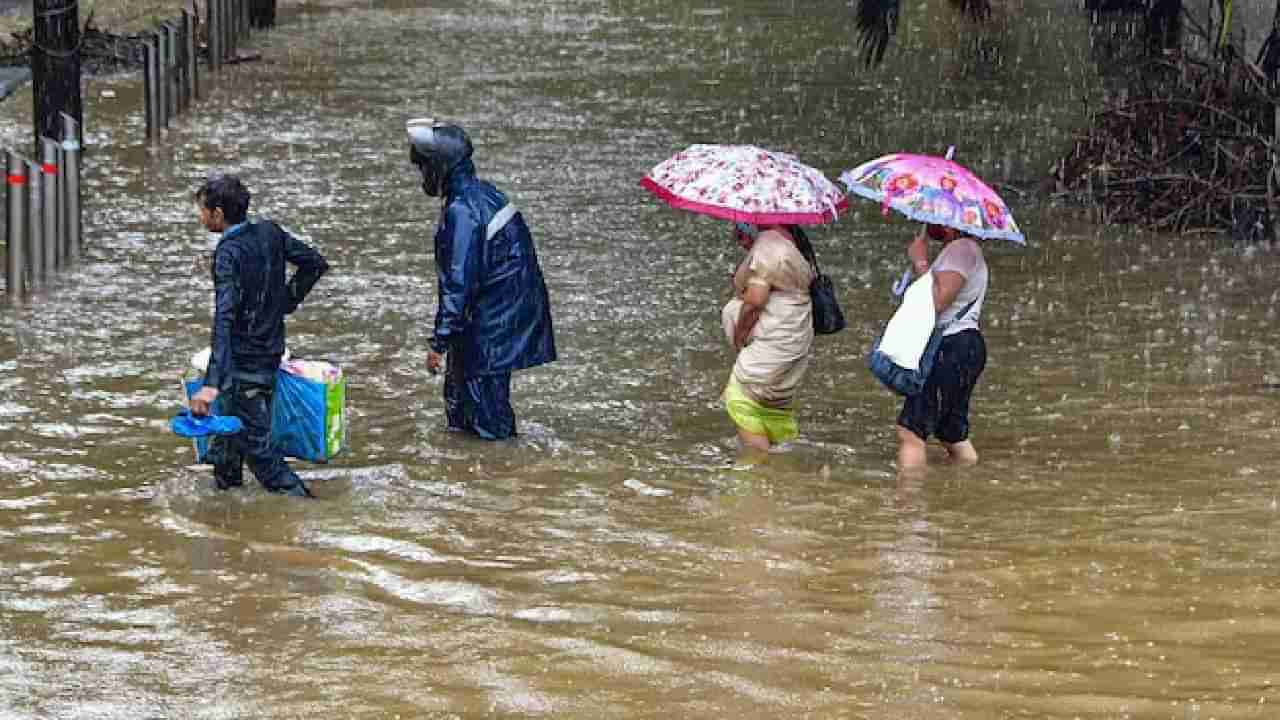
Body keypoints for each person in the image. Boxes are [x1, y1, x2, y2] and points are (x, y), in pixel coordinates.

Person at [406, 119, 556, 440]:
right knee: (462, 410)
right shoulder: (484, 194)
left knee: (486, 421)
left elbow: (458, 284)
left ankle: (500, 473)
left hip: (491, 330)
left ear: (440, 167)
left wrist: (438, 343)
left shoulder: (463, 211)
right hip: (496, 321)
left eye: (424, 168)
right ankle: (476, 474)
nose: (422, 176)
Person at [188, 175, 329, 497]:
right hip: (270, 354)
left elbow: (224, 318)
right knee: (226, 447)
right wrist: (286, 300)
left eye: (203, 211)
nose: (201, 217)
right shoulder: (270, 232)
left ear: (219, 214)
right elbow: (314, 264)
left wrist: (211, 384)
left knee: (262, 456)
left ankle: (311, 512)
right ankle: (227, 516)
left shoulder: (228, 253)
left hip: (243, 368)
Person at [896, 222, 988, 470]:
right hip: (963, 346)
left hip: (951, 346)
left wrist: (920, 260)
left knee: (911, 432)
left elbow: (938, 301)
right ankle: (966, 483)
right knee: (951, 433)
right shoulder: (963, 250)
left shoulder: (961, 250)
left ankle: (907, 503)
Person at [720, 222, 815, 454]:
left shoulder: (768, 247)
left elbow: (755, 301)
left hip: (774, 340)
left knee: (741, 397)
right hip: (794, 336)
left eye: (740, 233)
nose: (740, 240)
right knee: (774, 406)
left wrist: (740, 334)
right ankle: (785, 470)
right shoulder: (791, 241)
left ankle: (761, 471)